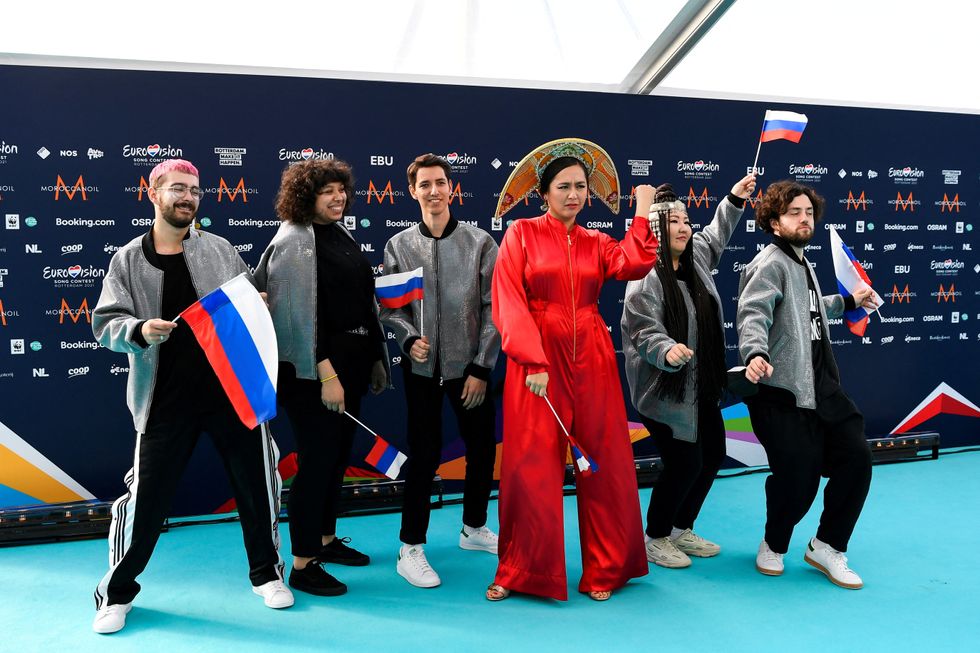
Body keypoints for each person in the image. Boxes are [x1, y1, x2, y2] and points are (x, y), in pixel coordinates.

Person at [90, 159, 291, 634]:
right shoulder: (128, 259)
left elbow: (249, 300)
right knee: (144, 500)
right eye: (177, 188)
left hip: (232, 393)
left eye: (195, 190)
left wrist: (256, 304)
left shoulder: (220, 249)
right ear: (153, 193)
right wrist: (139, 329)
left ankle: (267, 575)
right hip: (164, 398)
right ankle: (116, 593)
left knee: (259, 487)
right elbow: (105, 323)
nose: (188, 197)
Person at [488, 138, 659, 602]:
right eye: (563, 186)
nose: (573, 195)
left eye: (581, 186)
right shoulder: (521, 234)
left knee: (604, 462)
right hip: (537, 364)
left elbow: (636, 262)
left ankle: (607, 569)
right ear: (543, 193)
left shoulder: (597, 241)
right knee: (529, 466)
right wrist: (532, 360)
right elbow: (508, 299)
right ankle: (522, 570)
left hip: (594, 357)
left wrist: (642, 211)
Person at [255, 158, 389, 597]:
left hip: (348, 367)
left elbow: (357, 303)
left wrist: (370, 359)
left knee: (336, 458)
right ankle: (302, 563)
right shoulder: (294, 241)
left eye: (341, 190)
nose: (338, 198)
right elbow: (294, 319)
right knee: (316, 463)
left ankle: (327, 541)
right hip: (313, 375)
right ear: (305, 196)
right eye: (326, 191)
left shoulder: (337, 233)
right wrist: (327, 373)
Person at [736, 180, 878, 589]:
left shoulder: (802, 261)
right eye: (794, 213)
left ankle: (827, 546)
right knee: (797, 478)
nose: (804, 219)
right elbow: (752, 315)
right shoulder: (769, 264)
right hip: (782, 391)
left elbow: (806, 310)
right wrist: (754, 353)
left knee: (857, 459)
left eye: (808, 213)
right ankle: (773, 543)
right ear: (775, 222)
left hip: (822, 387)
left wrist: (849, 301)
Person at [621, 174, 757, 569]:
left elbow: (717, 234)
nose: (684, 228)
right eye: (673, 222)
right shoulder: (645, 275)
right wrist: (667, 350)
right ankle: (656, 536)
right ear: (656, 230)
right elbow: (643, 329)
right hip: (663, 391)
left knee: (712, 455)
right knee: (684, 464)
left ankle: (682, 528)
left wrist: (733, 198)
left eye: (685, 221)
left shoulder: (696, 257)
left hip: (701, 385)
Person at [380, 153, 500, 589]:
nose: (433, 191)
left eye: (440, 183)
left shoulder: (481, 242)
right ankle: (410, 547)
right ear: (412, 192)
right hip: (422, 372)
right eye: (424, 184)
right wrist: (408, 339)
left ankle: (473, 527)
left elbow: (495, 308)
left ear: (452, 188)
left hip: (471, 369)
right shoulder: (398, 245)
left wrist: (481, 366)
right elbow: (389, 308)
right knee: (425, 455)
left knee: (482, 448)